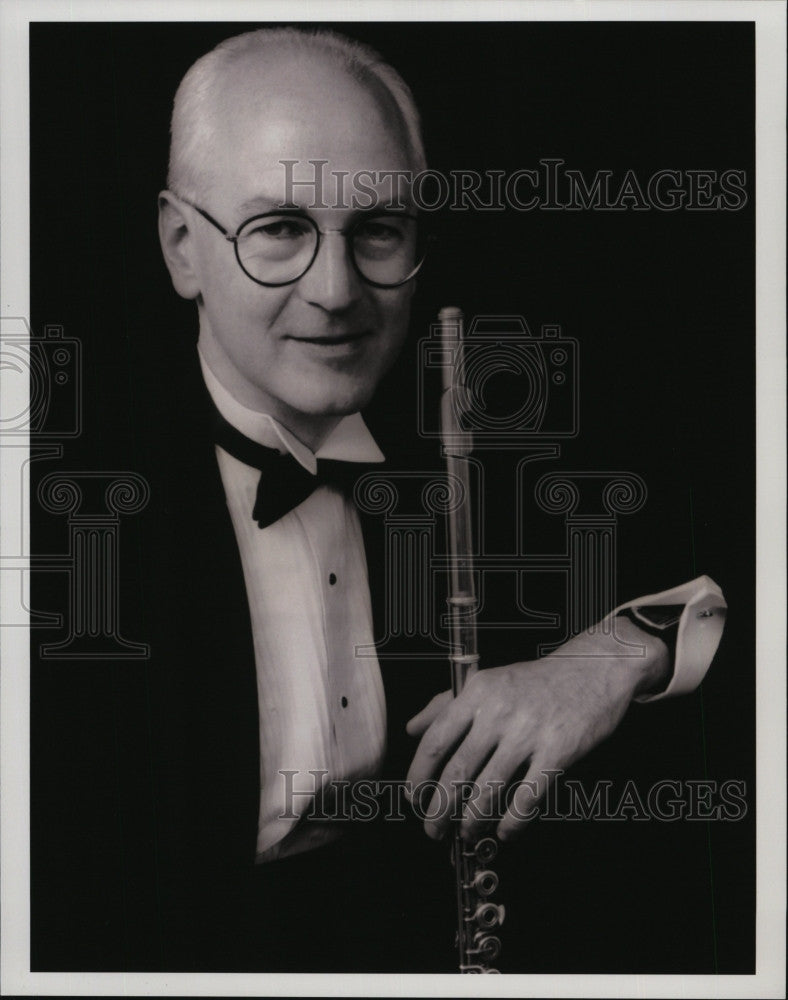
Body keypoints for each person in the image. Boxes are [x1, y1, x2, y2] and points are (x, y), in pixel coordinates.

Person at [31, 26, 730, 974]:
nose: (335, 291)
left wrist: (617, 651)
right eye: (278, 229)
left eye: (378, 230)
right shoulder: (62, 508)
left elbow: (736, 563)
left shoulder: (496, 438)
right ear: (181, 247)